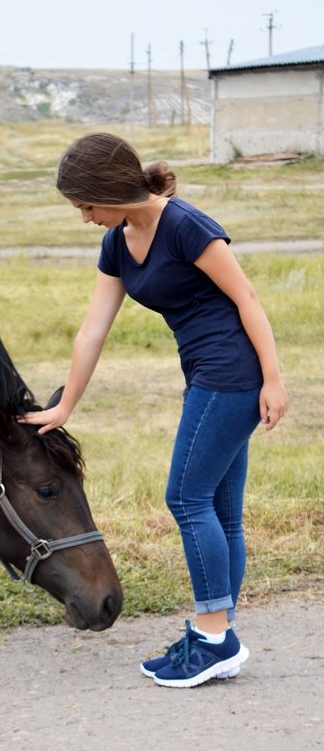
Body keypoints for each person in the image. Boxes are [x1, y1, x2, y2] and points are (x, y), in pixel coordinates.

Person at [18, 132, 288, 688]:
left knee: (186, 498)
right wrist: (65, 403)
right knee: (219, 508)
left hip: (232, 375)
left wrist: (274, 378)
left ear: (108, 191)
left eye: (85, 204)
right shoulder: (118, 242)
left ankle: (213, 638)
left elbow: (247, 299)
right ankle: (219, 634)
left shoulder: (187, 226)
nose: (84, 216)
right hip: (208, 375)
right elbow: (94, 329)